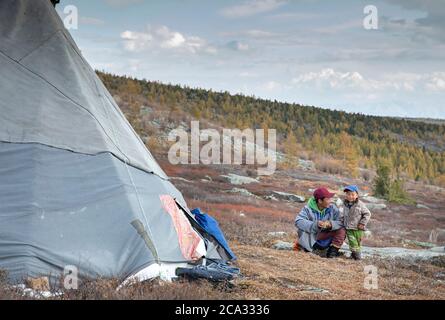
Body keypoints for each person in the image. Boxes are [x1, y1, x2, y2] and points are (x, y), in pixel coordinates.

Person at [295, 187, 346, 258]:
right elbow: (298, 221)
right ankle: (306, 248)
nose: (330, 201)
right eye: (327, 199)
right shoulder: (307, 209)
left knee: (342, 229)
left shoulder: (332, 208)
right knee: (301, 229)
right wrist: (315, 225)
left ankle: (332, 253)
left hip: (325, 235)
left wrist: (331, 224)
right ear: (320, 201)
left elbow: (340, 221)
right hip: (312, 235)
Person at [340, 185, 371, 260]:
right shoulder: (345, 204)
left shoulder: (360, 204)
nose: (350, 196)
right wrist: (341, 220)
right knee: (352, 242)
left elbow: (367, 214)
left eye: (352, 194)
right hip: (349, 228)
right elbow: (344, 214)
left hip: (358, 228)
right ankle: (357, 257)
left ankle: (355, 255)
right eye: (348, 194)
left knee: (358, 243)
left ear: (357, 195)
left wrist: (362, 223)